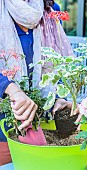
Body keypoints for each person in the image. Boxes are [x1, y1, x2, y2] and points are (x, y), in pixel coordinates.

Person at [0, 0, 72, 165]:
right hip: (2, 133)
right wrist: (11, 89)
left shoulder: (51, 10)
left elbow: (55, 62)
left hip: (42, 131)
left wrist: (58, 98)